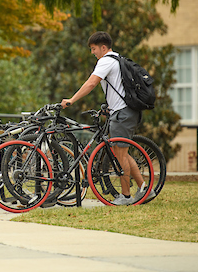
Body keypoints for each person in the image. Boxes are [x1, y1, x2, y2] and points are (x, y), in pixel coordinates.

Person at [60, 31, 154, 205]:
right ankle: (143, 189)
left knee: (120, 155)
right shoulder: (118, 59)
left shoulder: (105, 61)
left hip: (122, 113)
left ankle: (126, 196)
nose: (92, 52)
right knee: (122, 152)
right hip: (125, 112)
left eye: (94, 48)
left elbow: (91, 83)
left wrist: (72, 100)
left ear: (103, 47)